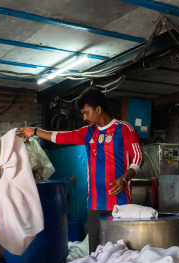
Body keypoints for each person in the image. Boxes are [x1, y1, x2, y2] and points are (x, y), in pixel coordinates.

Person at [17, 87, 143, 253]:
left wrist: (125, 178)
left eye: (86, 112)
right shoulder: (88, 133)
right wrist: (34, 131)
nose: (84, 117)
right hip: (94, 204)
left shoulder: (125, 129)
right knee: (95, 251)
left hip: (119, 203)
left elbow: (138, 158)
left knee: (118, 251)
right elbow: (61, 137)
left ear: (98, 109)